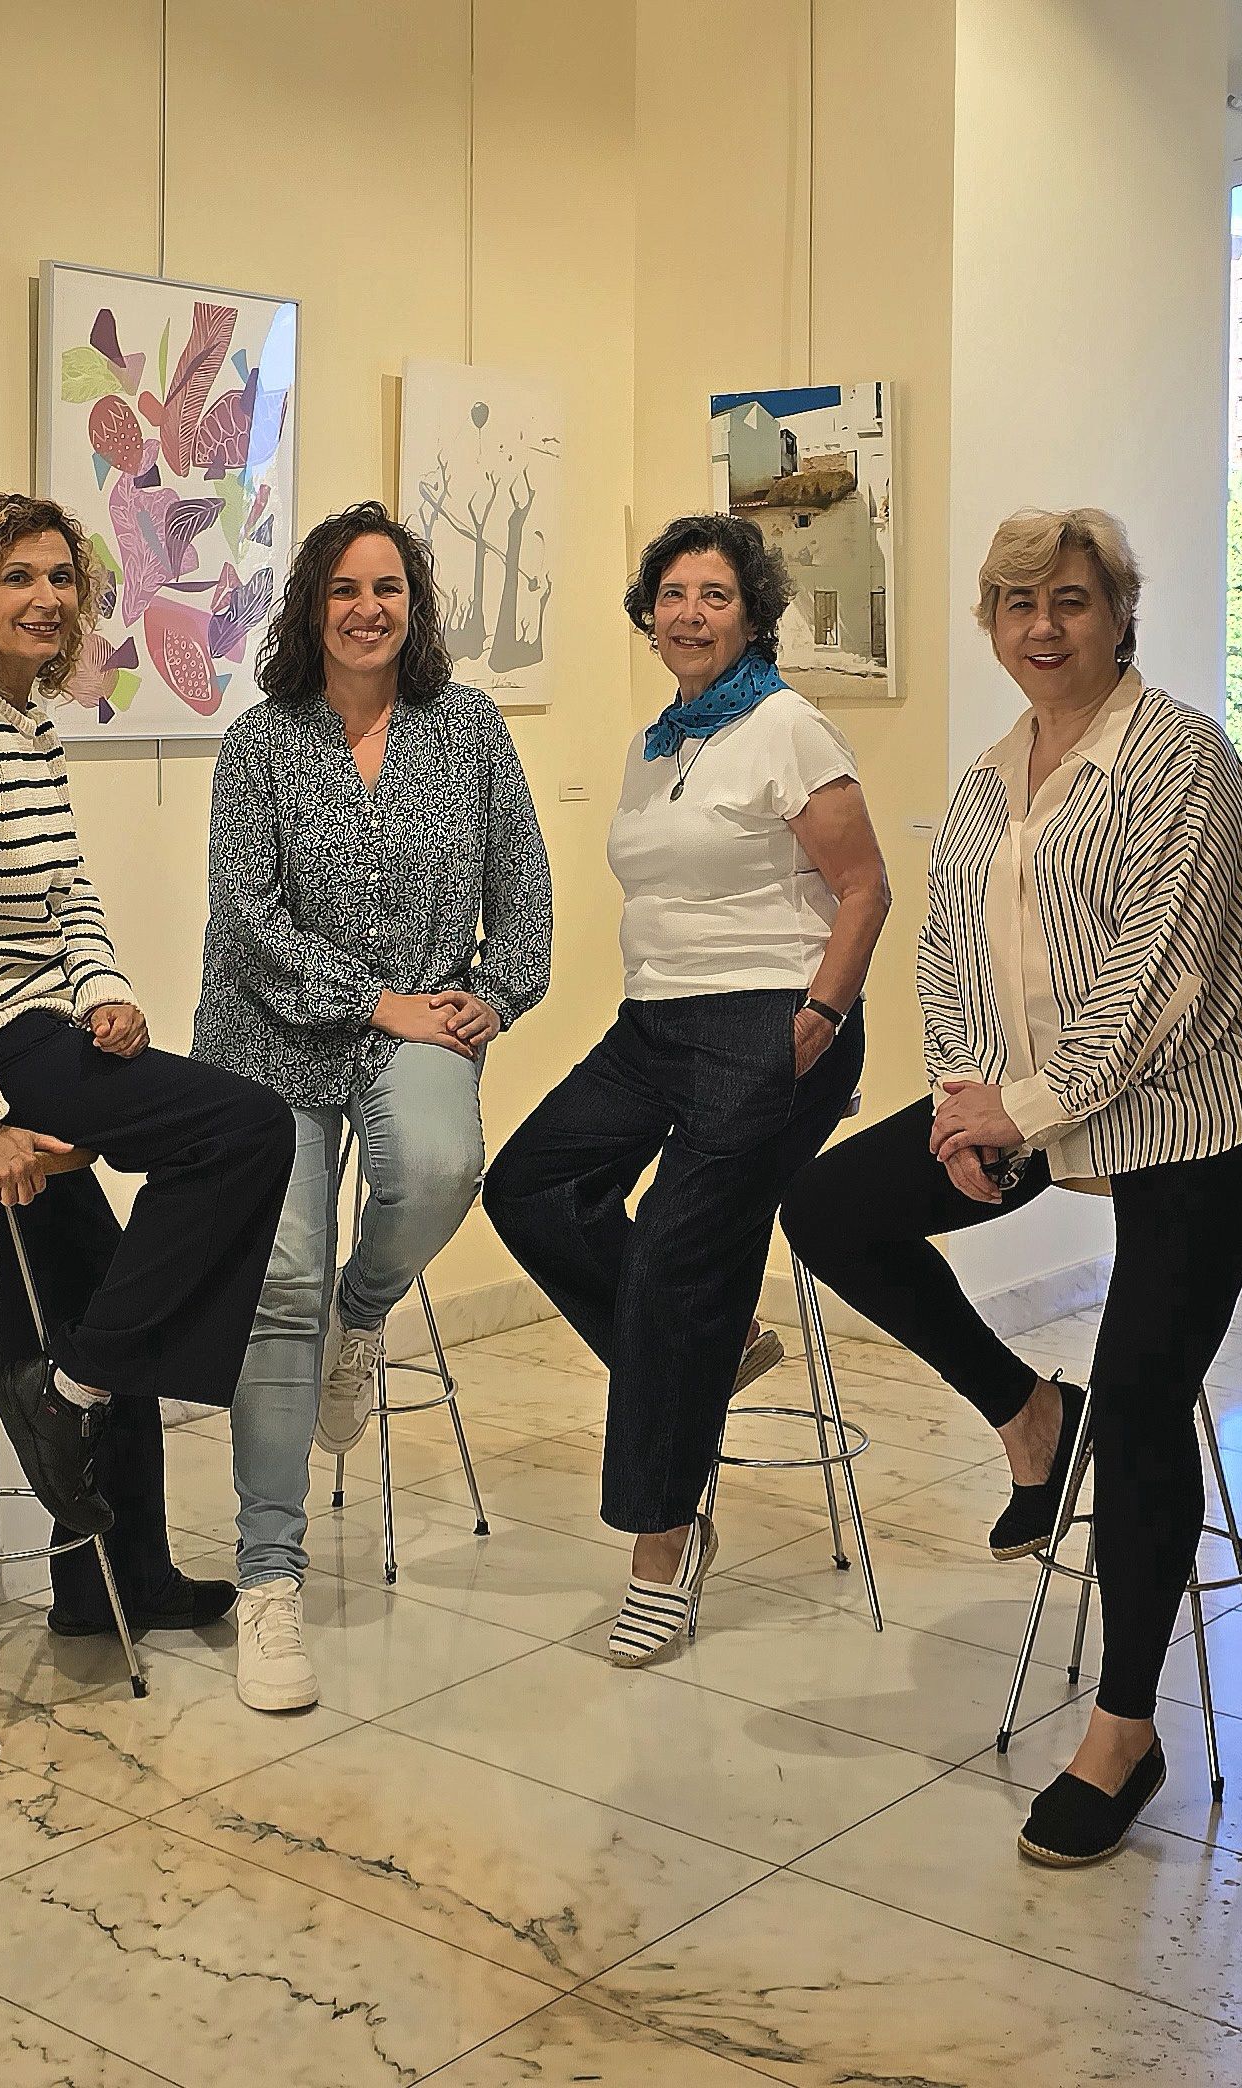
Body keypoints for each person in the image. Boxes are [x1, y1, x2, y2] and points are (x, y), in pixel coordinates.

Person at [782, 506, 1242, 1866]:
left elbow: (1164, 984)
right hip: (1038, 1109)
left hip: (1207, 1106)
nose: (1042, 627)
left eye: (1070, 600)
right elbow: (949, 950)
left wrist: (1012, 1113)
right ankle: (1028, 1413)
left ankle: (1125, 1729)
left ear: (1118, 613)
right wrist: (965, 1095)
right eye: (1018, 605)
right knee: (832, 1206)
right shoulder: (985, 778)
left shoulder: (1177, 755)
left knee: (1145, 1390)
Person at [0, 492, 295, 1638]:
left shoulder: (17, 724)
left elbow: (64, 902)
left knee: (88, 1298)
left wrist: (106, 994)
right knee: (245, 1128)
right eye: (16, 577)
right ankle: (71, 1394)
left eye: (61, 578)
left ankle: (111, 1579)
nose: (44, 598)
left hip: (0, 1026)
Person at [483, 513, 890, 1668]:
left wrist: (817, 1019)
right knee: (529, 1186)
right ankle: (702, 1352)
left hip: (775, 1018)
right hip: (655, 1020)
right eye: (672, 594)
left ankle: (662, 1547)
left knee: (668, 1254)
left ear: (752, 613)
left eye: (714, 594)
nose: (690, 613)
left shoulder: (788, 729)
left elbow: (863, 889)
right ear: (649, 614)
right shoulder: (656, 741)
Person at [193, 500, 551, 1711]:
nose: (366, 608)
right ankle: (269, 1582)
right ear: (310, 606)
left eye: (387, 586)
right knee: (276, 1281)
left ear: (416, 605)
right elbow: (248, 922)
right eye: (343, 588)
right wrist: (377, 1001)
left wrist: (491, 999)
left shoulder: (471, 731)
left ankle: (366, 1315)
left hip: (425, 1021)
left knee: (444, 1169)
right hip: (272, 1037)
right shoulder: (260, 744)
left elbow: (528, 900)